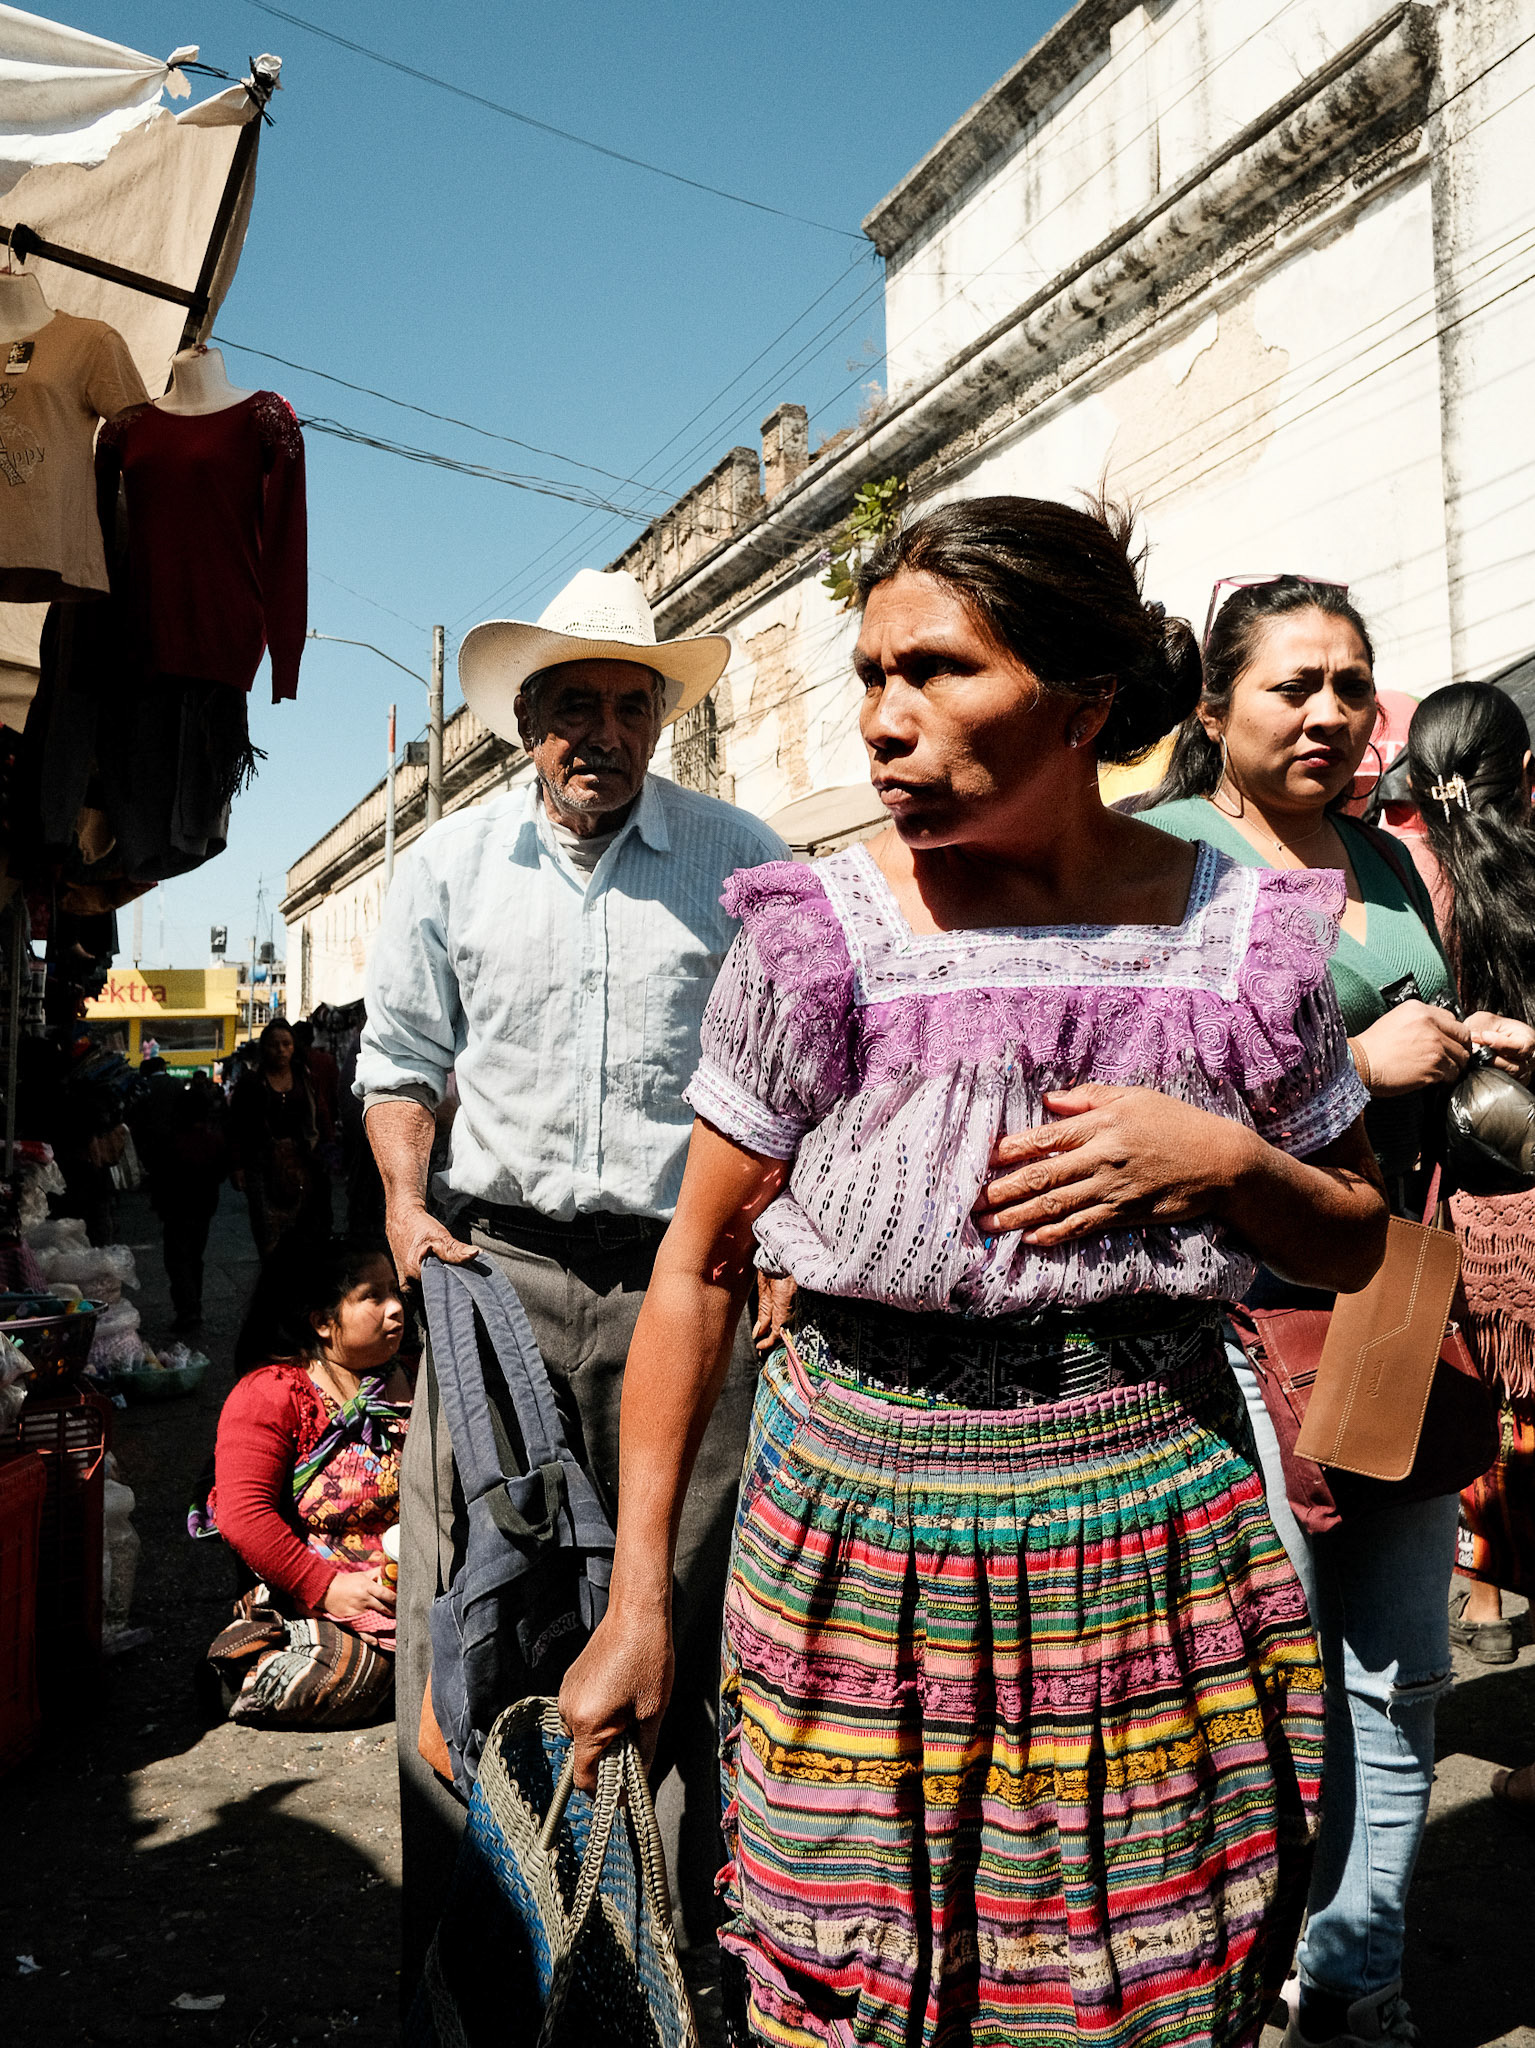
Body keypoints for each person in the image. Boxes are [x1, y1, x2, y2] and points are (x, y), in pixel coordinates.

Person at [560, 500, 1389, 2048]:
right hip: (852, 1544)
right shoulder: (815, 937)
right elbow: (698, 1269)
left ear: (1080, 703)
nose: (883, 719)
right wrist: (636, 1600)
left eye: (935, 671)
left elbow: (1355, 1235)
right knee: (854, 1984)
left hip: (1150, 1538)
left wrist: (1227, 1165)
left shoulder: (1241, 940)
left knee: (1138, 1977)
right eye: (871, 675)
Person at [356, 566, 789, 1990]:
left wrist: (780, 1237)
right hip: (497, 1278)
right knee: (471, 1621)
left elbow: (800, 1074)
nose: (602, 732)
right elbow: (400, 1064)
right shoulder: (446, 866)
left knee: (688, 1615)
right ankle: (471, 1973)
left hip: (688, 1283)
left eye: (629, 705)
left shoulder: (743, 862)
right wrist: (405, 1207)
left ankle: (671, 1972)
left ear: (659, 719)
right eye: (573, 708)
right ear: (524, 722)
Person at [1140, 580, 1535, 2048]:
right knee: (1268, 1677)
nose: (1326, 713)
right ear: (1212, 705)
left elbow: (1398, 1020)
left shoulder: (1383, 853)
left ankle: (1355, 1983)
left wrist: (1463, 1042)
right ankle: (1233, 1980)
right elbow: (1130, 1092)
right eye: (1289, 685)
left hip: (1388, 1294)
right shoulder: (1163, 860)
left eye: (1349, 687)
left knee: (1402, 1671)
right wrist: (1354, 1067)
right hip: (1232, 1316)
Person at [1402, 684, 1535, 1757]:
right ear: (1524, 776)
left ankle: (1474, 1598)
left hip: (1435, 1229)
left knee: (1459, 1424)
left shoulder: (1389, 891)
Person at [202, 1234, 411, 1726]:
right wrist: (327, 1587)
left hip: (417, 1590)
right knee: (342, 1677)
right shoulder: (271, 1395)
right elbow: (243, 1516)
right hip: (318, 1600)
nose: (396, 1309)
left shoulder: (416, 1375)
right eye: (372, 1297)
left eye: (394, 1291)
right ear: (321, 1322)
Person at [228, 1018, 330, 1256]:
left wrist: (327, 1149)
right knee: (268, 1235)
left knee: (303, 1233)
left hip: (301, 1163)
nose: (281, 1050)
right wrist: (237, 1166)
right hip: (261, 1166)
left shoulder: (306, 1078)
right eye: (274, 1045)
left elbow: (321, 1115)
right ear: (264, 1048)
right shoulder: (251, 1082)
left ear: (294, 1046)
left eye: (286, 1044)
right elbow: (235, 1125)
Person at [142, 1067, 228, 1332]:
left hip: (176, 1209)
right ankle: (193, 1306)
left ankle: (187, 1309)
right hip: (204, 1207)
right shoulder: (213, 1141)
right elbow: (221, 1172)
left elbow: (159, 1174)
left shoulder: (171, 1142)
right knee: (194, 1257)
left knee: (178, 1259)